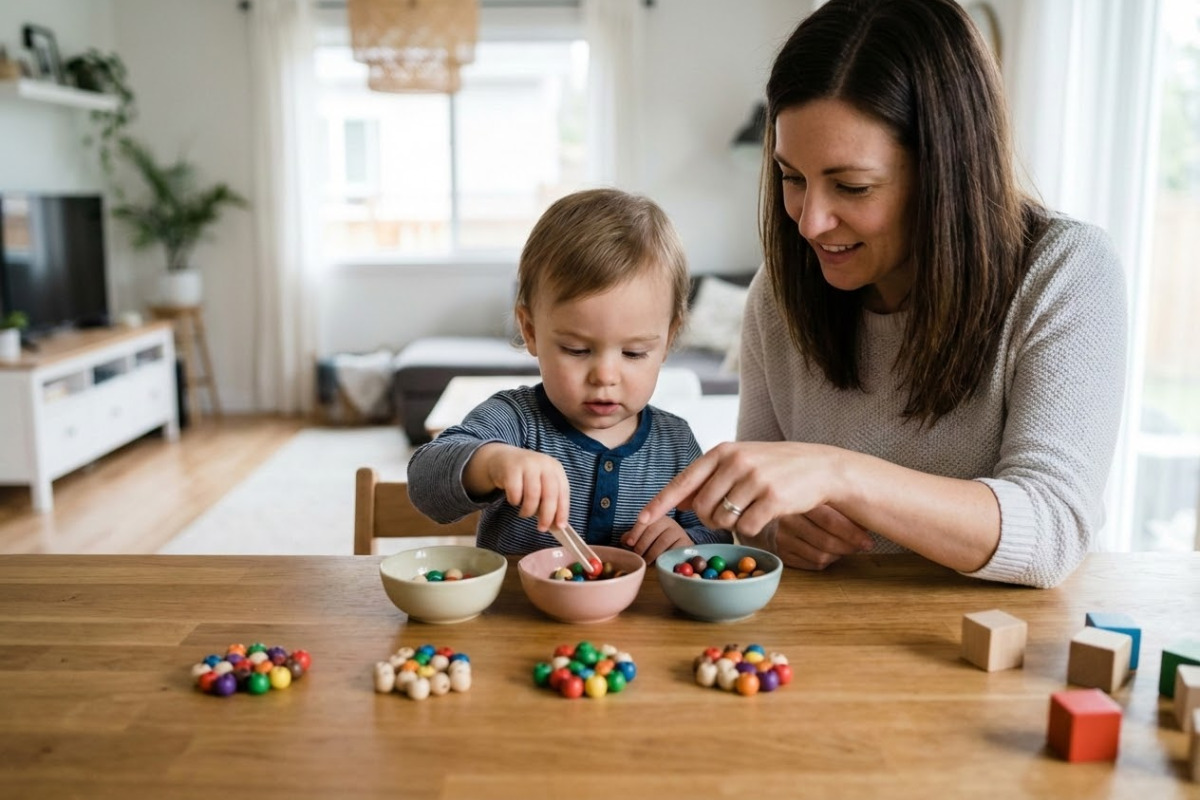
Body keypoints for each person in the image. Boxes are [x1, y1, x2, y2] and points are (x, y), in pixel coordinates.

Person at [625, 0, 1126, 589]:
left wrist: (839, 473)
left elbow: (1052, 530)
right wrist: (774, 529)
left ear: (945, 174)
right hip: (833, 643)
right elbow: (755, 518)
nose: (809, 222)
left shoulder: (1066, 272)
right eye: (792, 178)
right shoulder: (780, 295)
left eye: (852, 186)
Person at [407, 188, 729, 559]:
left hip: (642, 617)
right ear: (530, 330)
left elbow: (718, 535)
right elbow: (424, 482)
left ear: (668, 340)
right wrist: (493, 462)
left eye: (634, 352)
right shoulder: (514, 422)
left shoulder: (675, 444)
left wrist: (689, 543)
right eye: (577, 350)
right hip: (520, 614)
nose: (605, 376)